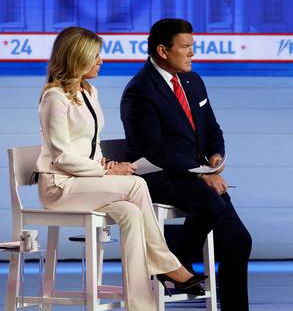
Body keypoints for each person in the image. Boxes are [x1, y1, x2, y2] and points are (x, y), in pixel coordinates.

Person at [36, 27, 206, 310]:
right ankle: (168, 266)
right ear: (77, 58)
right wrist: (106, 172)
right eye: (95, 56)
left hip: (86, 183)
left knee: (129, 212)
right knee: (137, 185)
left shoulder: (89, 91)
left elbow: (90, 145)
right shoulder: (54, 97)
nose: (101, 61)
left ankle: (141, 305)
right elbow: (61, 156)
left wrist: (107, 164)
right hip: (60, 186)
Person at [120, 18, 252, 310]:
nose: (192, 53)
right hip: (159, 176)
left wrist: (215, 156)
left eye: (193, 46)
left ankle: (171, 258)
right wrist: (202, 173)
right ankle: (174, 267)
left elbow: (211, 127)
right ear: (163, 51)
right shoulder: (140, 91)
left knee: (239, 242)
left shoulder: (193, 81)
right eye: (186, 47)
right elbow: (155, 151)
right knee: (212, 205)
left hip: (196, 177)